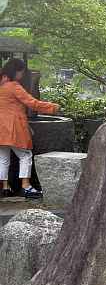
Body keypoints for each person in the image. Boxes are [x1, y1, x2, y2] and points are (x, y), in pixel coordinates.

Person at [0, 58, 60, 199]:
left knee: (3, 158)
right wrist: (53, 107)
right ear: (16, 71)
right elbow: (32, 103)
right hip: (13, 127)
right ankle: (26, 187)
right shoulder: (14, 86)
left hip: (1, 128)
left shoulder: (1, 86)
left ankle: (5, 187)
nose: (22, 75)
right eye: (21, 72)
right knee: (25, 155)